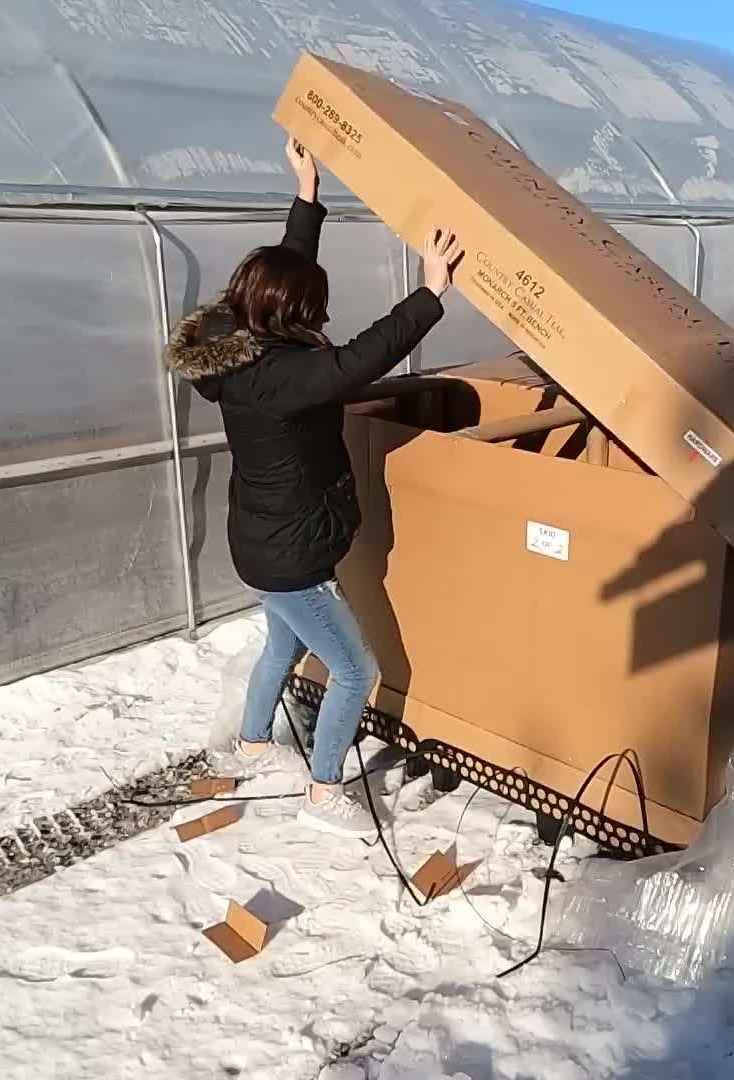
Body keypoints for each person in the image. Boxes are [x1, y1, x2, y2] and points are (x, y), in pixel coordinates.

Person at [164, 137, 463, 839]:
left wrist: (308, 197)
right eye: (315, 308)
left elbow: (282, 276)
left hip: (263, 539)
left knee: (280, 648)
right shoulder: (282, 376)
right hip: (292, 554)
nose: (322, 318)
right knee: (355, 671)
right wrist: (431, 292)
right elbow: (359, 360)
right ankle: (326, 791)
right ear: (292, 315)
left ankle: (256, 747)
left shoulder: (236, 334)